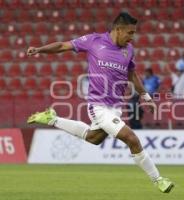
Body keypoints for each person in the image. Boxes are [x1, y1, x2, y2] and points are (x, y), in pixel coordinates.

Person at [26, 12, 174, 193]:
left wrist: (145, 95)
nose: (132, 37)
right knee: (132, 139)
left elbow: (132, 74)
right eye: (130, 32)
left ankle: (52, 119)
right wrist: (39, 49)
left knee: (93, 138)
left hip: (115, 108)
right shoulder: (94, 41)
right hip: (99, 106)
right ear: (118, 29)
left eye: (134, 33)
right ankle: (158, 179)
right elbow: (62, 46)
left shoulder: (129, 50)